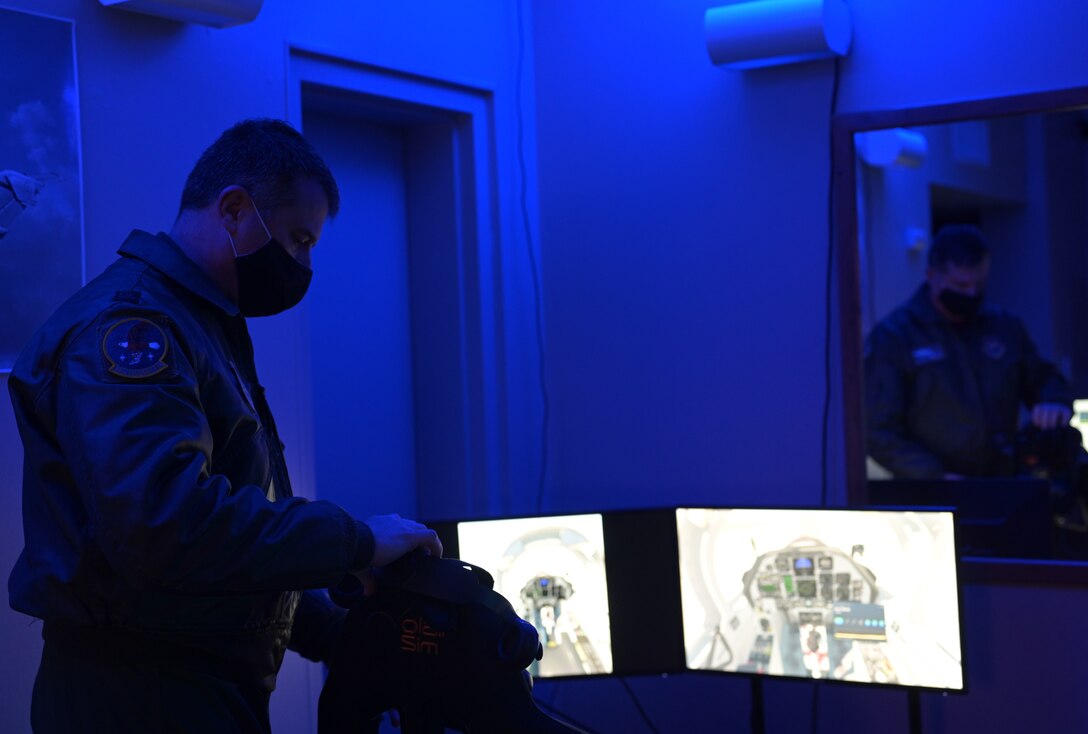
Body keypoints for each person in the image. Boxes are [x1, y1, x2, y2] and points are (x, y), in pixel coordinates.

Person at [7, 118, 443, 733]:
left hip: (199, 687)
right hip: (140, 696)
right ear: (235, 211)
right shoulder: (133, 328)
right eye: (297, 240)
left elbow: (230, 541)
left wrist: (339, 633)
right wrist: (355, 541)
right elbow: (168, 525)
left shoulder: (203, 324)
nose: (302, 265)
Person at [864, 223, 1073, 479]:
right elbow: (877, 430)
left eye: (979, 283)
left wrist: (1053, 401)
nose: (972, 293)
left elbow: (1043, 378)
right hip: (937, 489)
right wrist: (933, 475)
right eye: (961, 286)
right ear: (932, 276)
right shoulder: (896, 336)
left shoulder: (1003, 326)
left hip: (1005, 480)